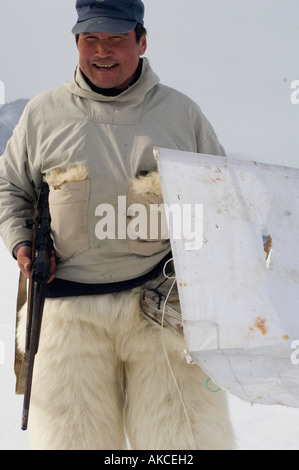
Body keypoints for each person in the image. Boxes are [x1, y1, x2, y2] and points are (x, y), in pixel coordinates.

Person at [0, 0, 235, 450]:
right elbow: (10, 186)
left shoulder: (182, 115)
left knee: (184, 445)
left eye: (116, 38)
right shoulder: (42, 114)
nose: (101, 50)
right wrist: (20, 244)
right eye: (90, 38)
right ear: (77, 43)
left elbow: (220, 195)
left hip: (162, 307)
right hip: (68, 309)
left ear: (141, 42)